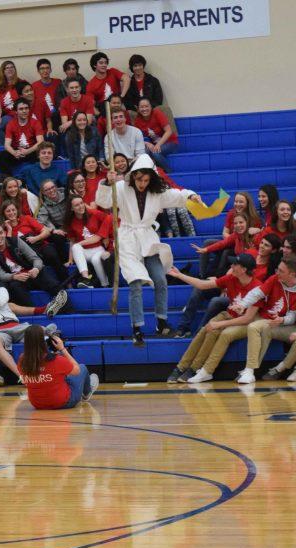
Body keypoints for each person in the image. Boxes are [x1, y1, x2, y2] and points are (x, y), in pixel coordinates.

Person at [96, 154, 199, 345]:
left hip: (148, 238)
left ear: (151, 178)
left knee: (160, 279)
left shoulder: (158, 193)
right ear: (133, 176)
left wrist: (191, 195)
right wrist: (106, 182)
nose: (142, 183)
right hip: (127, 237)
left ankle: (162, 323)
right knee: (135, 283)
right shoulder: (120, 188)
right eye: (139, 179)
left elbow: (178, 196)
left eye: (145, 179)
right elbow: (103, 202)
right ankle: (137, 328)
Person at [166, 254, 263, 383]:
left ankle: (194, 368)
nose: (231, 266)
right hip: (228, 315)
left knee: (213, 331)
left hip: (243, 321)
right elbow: (202, 285)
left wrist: (219, 324)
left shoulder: (257, 288)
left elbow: (247, 319)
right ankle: (181, 367)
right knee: (204, 330)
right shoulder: (231, 278)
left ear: (244, 270)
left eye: (235, 264)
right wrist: (179, 275)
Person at [18, 324, 99, 410]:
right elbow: (77, 370)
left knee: (60, 377)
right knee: (82, 368)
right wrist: (63, 349)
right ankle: (86, 393)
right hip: (63, 403)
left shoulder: (22, 360)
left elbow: (26, 376)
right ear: (44, 341)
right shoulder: (56, 360)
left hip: (37, 404)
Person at [0, 99, 44, 175]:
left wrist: (28, 151)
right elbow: (7, 145)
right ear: (16, 111)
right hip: (17, 152)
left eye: (26, 108)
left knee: (42, 153)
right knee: (0, 156)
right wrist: (14, 153)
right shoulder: (11, 124)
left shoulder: (35, 122)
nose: (24, 111)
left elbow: (40, 142)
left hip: (31, 151)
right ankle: (9, 180)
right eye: (21, 109)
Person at [0, 61, 29, 146]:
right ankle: (5, 149)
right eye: (7, 68)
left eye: (12, 67)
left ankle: (6, 149)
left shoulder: (22, 83)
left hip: (19, 114)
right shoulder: (1, 88)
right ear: (3, 71)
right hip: (8, 115)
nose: (10, 69)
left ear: (15, 70)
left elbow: (29, 98)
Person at [133, 98, 178, 167]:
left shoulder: (157, 113)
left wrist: (158, 145)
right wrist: (147, 143)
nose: (144, 109)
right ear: (138, 109)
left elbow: (169, 131)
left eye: (146, 106)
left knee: (155, 153)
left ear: (151, 107)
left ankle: (169, 172)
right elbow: (136, 138)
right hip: (154, 144)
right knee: (144, 153)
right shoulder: (137, 120)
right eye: (142, 107)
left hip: (170, 142)